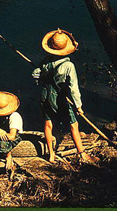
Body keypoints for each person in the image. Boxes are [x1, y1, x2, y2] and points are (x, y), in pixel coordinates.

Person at [32, 29, 96, 164]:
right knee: (74, 124)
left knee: (48, 124)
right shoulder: (68, 65)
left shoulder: (46, 61)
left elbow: (35, 74)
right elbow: (73, 88)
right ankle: (82, 154)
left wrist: (40, 81)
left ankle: (51, 155)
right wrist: (78, 105)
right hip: (59, 97)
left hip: (45, 95)